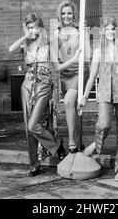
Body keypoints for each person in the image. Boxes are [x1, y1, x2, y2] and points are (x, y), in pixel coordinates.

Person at [9, 13, 72, 177]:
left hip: (44, 83)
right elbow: (10, 49)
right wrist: (25, 35)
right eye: (29, 27)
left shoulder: (48, 44)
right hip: (27, 85)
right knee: (28, 127)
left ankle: (57, 145)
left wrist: (75, 59)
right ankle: (34, 164)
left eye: (35, 26)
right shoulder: (27, 45)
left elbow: (57, 67)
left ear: (40, 27)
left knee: (34, 124)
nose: (33, 30)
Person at [79, 16, 118, 181]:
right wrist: (84, 95)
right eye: (107, 28)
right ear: (102, 32)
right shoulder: (98, 52)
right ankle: (96, 146)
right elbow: (92, 77)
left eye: (113, 28)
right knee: (103, 124)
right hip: (104, 94)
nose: (110, 31)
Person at [51, 0, 90, 153]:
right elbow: (56, 61)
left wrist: (86, 34)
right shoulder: (56, 33)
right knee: (72, 107)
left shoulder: (80, 31)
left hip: (80, 71)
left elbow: (88, 54)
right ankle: (80, 142)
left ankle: (72, 142)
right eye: (63, 13)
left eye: (69, 13)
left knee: (67, 102)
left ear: (74, 14)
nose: (66, 16)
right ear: (60, 15)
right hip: (65, 72)